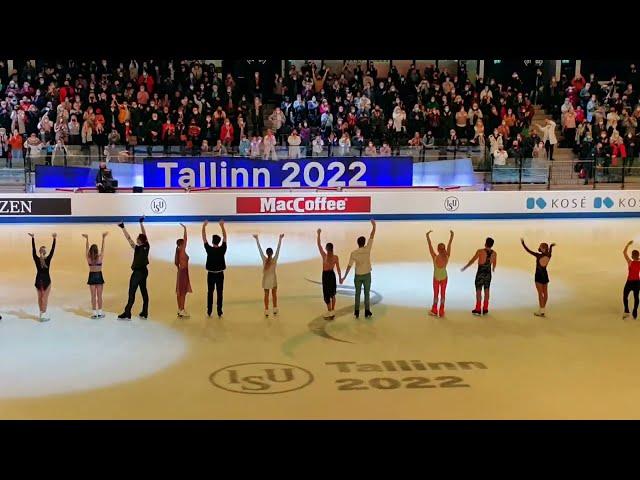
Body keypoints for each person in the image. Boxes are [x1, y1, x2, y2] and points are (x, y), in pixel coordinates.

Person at [340, 219, 376, 319]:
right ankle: (367, 311)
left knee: (357, 293)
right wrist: (374, 226)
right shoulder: (367, 249)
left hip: (358, 275)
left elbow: (349, 266)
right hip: (367, 275)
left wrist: (343, 277)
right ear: (364, 243)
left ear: (357, 243)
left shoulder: (354, 253)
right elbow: (372, 236)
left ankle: (356, 312)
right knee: (367, 293)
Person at [117, 217, 150, 320]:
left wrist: (123, 228)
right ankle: (145, 312)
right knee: (144, 292)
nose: (136, 240)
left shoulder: (137, 248)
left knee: (132, 292)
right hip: (144, 272)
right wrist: (141, 223)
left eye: (138, 239)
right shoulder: (147, 246)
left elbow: (129, 238)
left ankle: (127, 313)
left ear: (140, 241)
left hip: (137, 274)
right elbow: (144, 234)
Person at [461, 237, 497, 316]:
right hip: (488, 273)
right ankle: (485, 308)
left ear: (485, 243)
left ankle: (478, 308)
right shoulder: (494, 253)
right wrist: (493, 269)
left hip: (480, 273)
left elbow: (472, 260)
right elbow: (494, 264)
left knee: (478, 290)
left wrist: (465, 267)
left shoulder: (480, 251)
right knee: (487, 290)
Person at [521, 238, 555, 317]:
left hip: (538, 275)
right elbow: (550, 251)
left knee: (540, 293)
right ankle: (542, 309)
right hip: (545, 275)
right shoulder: (549, 255)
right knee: (545, 292)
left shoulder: (538, 255)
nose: (539, 248)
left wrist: (523, 243)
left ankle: (541, 310)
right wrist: (551, 246)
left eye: (540, 247)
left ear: (543, 249)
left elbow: (528, 251)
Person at [253, 233, 284, 317]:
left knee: (266, 295)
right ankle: (274, 308)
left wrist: (257, 239)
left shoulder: (264, 259)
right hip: (273, 279)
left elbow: (259, 250)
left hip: (266, 280)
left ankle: (266, 309)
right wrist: (280, 239)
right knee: (274, 294)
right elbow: (278, 249)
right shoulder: (274, 260)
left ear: (266, 253)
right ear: (272, 253)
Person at [28, 232, 57, 322]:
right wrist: (54, 239)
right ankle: (43, 315)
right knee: (45, 298)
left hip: (38, 280)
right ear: (45, 252)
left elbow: (33, 250)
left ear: (40, 252)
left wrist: (33, 238)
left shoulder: (37, 259)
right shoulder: (48, 259)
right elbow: (53, 250)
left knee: (40, 298)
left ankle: (41, 314)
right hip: (46, 280)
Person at [202, 219, 227, 318]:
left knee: (210, 292)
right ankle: (219, 310)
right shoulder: (222, 249)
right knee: (220, 292)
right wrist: (222, 226)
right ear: (219, 241)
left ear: (212, 242)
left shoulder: (209, 249)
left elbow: (204, 238)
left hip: (211, 274)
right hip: (220, 274)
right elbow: (225, 237)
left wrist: (204, 226)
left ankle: (209, 310)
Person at [426, 230, 454, 317]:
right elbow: (449, 245)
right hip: (444, 278)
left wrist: (428, 237)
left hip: (436, 278)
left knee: (436, 294)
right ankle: (441, 311)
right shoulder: (447, 256)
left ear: (437, 249)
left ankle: (434, 310)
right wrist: (451, 237)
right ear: (444, 249)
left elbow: (430, 246)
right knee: (442, 294)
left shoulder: (435, 257)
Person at [317, 229, 342, 319]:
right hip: (332, 275)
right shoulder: (335, 257)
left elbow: (319, 245)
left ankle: (330, 311)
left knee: (327, 294)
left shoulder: (324, 256)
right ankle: (333, 311)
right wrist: (340, 278)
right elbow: (338, 269)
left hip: (326, 276)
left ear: (327, 249)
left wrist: (318, 234)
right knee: (333, 294)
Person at [82, 232, 108, 319]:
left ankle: (94, 313)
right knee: (99, 296)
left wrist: (87, 239)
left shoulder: (88, 258)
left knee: (93, 296)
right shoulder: (100, 258)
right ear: (97, 251)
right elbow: (103, 248)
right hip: (99, 276)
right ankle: (100, 313)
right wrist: (103, 238)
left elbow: (86, 249)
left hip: (92, 276)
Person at [175, 223, 192, 318]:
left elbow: (176, 263)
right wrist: (185, 229)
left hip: (180, 272)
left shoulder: (178, 251)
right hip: (183, 273)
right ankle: (182, 309)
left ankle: (180, 309)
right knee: (183, 292)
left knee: (179, 291)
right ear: (181, 244)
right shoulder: (182, 251)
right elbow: (186, 239)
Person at [623, 241, 640, 319]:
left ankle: (626, 310)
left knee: (625, 296)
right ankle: (635, 311)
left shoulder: (630, 262)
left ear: (632, 256)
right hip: (637, 282)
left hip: (629, 282)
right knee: (636, 297)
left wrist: (628, 244)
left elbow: (624, 252)